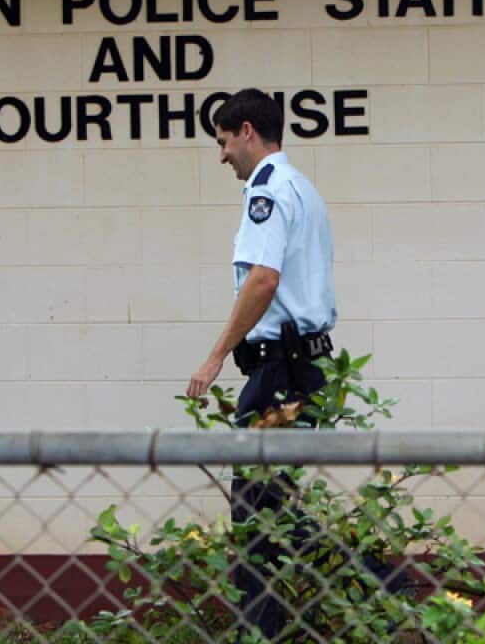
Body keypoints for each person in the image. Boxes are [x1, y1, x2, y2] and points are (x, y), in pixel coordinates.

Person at [186, 87, 337, 641]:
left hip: (278, 373)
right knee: (277, 513)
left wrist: (216, 354)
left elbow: (263, 278)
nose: (221, 154)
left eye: (223, 141)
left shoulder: (268, 192)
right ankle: (366, 593)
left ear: (247, 131)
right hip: (300, 370)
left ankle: (385, 588)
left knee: (256, 517)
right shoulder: (305, 189)